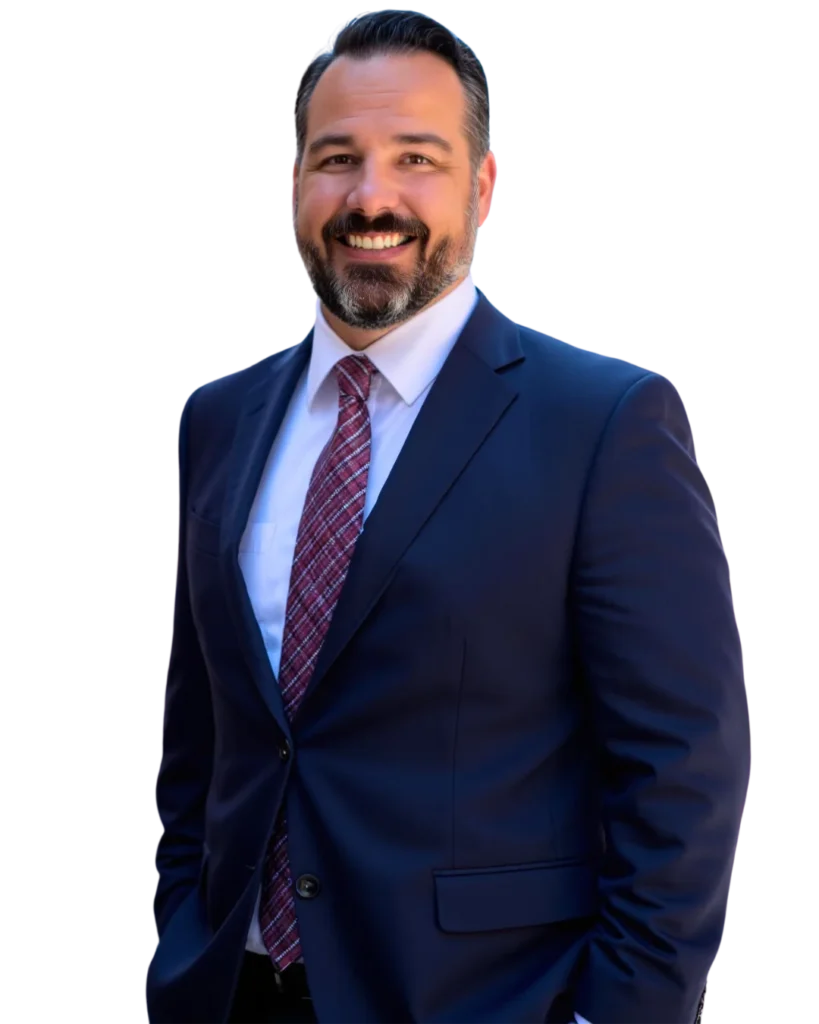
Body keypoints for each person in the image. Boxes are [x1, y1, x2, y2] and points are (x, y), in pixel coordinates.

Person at [146, 9, 749, 1024]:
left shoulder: (603, 422)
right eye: (337, 158)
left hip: (483, 1001)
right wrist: (178, 928)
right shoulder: (219, 418)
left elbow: (683, 768)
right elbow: (199, 737)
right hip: (227, 991)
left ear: (483, 186)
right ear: (295, 186)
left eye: (416, 159)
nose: (370, 197)